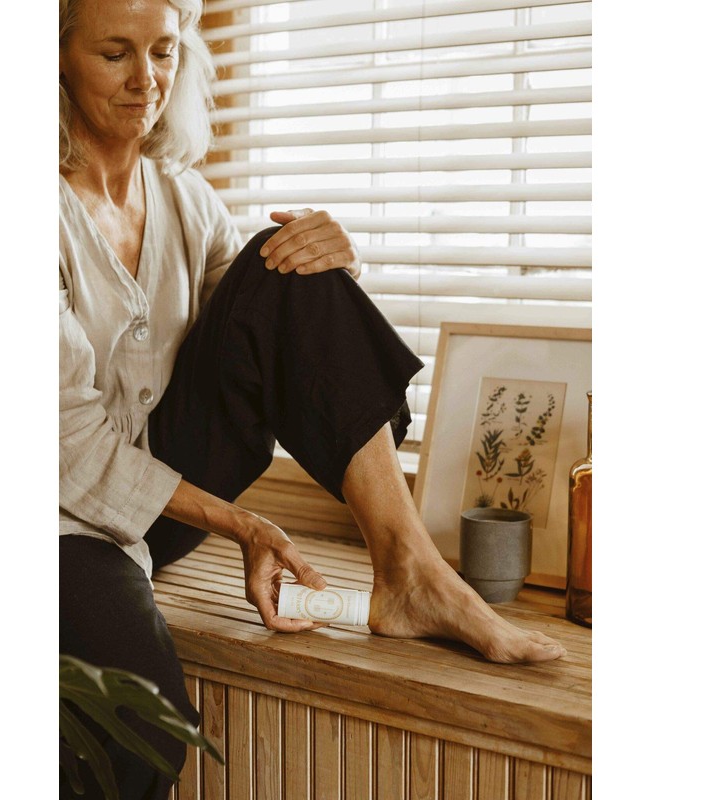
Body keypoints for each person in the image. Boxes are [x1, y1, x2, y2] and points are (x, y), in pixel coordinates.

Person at [59, 0, 567, 796]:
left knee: (285, 259)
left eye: (163, 51)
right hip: (61, 521)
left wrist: (331, 270)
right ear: (55, 61)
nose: (146, 80)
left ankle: (411, 573)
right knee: (144, 733)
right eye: (115, 53)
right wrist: (244, 524)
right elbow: (63, 444)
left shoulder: (185, 197)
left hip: (162, 496)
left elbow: (269, 331)